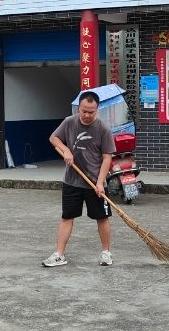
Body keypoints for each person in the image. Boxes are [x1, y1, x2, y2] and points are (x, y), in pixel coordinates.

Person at [43, 90, 116, 267]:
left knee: (102, 218)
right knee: (67, 217)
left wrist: (100, 182)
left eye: (91, 112)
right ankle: (59, 255)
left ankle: (106, 253)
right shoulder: (69, 122)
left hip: (95, 182)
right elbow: (54, 138)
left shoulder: (103, 128)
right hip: (72, 181)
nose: (87, 115)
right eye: (84, 111)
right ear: (79, 108)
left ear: (97, 110)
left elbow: (107, 158)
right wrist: (66, 150)